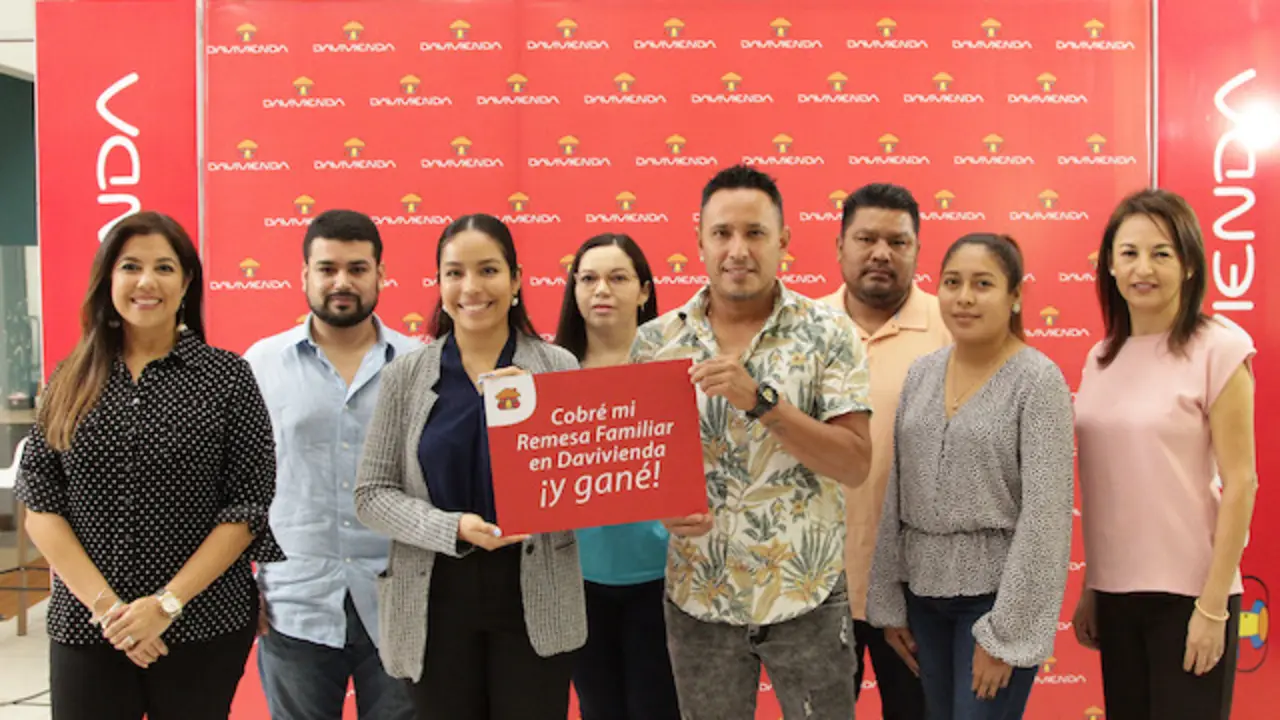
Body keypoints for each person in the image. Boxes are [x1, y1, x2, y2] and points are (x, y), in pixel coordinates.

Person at [15, 211, 283, 720]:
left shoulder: (228, 379)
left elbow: (247, 507)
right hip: (89, 625)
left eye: (164, 267)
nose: (146, 282)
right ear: (107, 279)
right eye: (130, 266)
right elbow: (41, 507)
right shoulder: (68, 379)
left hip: (203, 623)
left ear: (185, 283)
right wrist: (114, 614)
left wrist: (163, 607)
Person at [629, 165, 874, 719]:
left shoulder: (828, 332)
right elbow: (641, 473)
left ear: (783, 241)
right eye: (722, 233)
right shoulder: (655, 342)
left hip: (805, 595)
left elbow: (855, 463)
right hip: (699, 598)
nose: (738, 249)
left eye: (755, 233)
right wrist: (660, 510)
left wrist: (762, 403)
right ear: (699, 240)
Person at [354, 214, 587, 720]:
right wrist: (450, 527)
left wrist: (537, 410)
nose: (471, 287)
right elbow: (371, 493)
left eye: (488, 270)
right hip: (436, 595)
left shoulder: (558, 368)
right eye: (455, 273)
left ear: (517, 280)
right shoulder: (405, 375)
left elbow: (580, 486)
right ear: (439, 284)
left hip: (535, 592)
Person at [867, 233, 1075, 720]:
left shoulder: (1038, 382)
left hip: (992, 601)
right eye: (952, 282)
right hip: (922, 600)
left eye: (983, 284)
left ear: (1015, 296)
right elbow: (896, 492)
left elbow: (1046, 519)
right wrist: (889, 601)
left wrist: (1006, 635)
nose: (964, 297)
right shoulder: (921, 374)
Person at [1072, 189, 1256, 720]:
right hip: (1116, 594)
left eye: (1161, 253)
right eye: (1128, 253)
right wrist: (1093, 585)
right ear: (1110, 264)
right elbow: (1108, 483)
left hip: (1192, 594)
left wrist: (1213, 605)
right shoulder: (1101, 357)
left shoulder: (1220, 347)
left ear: (1190, 264)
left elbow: (1242, 482)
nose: (1142, 268)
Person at [244, 210, 418, 720]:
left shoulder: (416, 364)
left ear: (381, 275)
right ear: (304, 275)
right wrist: (241, 581)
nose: (342, 282)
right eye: (327, 268)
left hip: (397, 602)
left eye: (358, 268)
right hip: (293, 600)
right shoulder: (260, 364)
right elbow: (238, 485)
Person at [819, 183, 946, 719]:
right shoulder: (804, 327)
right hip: (817, 590)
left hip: (921, 591)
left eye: (898, 241)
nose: (881, 253)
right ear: (839, 245)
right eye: (866, 238)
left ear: (917, 249)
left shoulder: (954, 327)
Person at [552, 233, 679, 720]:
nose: (601, 289)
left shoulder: (672, 366)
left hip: (661, 580)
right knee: (598, 709)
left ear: (644, 291)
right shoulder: (550, 374)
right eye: (588, 278)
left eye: (618, 277)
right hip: (579, 581)